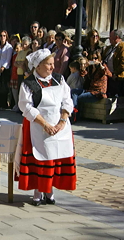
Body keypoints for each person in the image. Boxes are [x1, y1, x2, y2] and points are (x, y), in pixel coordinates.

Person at [16, 48, 76, 206]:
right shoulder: (28, 83)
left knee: (55, 158)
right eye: (48, 64)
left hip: (59, 126)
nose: (52, 67)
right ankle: (38, 191)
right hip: (38, 125)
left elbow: (67, 100)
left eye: (52, 64)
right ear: (38, 66)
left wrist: (62, 120)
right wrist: (45, 124)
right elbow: (26, 107)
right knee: (42, 160)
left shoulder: (59, 79)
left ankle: (49, 191)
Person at [71, 51, 111, 119]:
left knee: (77, 97)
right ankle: (75, 114)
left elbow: (108, 74)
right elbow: (82, 74)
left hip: (97, 93)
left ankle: (74, 116)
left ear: (99, 58)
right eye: (92, 58)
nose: (94, 60)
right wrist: (85, 67)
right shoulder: (91, 68)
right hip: (90, 90)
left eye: (95, 58)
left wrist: (99, 65)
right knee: (73, 91)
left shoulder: (102, 66)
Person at [102, 29, 124, 97]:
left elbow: (123, 63)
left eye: (111, 36)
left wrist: (115, 74)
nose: (109, 38)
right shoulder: (109, 48)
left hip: (118, 77)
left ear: (116, 37)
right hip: (108, 75)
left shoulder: (122, 47)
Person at [9, 42, 22, 112]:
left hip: (18, 75)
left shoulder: (22, 55)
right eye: (15, 48)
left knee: (19, 92)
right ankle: (16, 104)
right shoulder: (14, 56)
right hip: (13, 75)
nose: (16, 50)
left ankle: (19, 106)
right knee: (14, 92)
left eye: (18, 48)